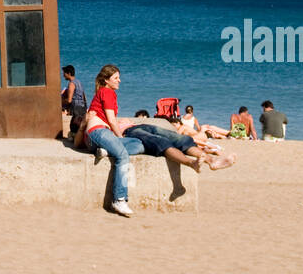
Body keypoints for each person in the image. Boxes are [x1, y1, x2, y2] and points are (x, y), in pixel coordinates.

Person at [83, 66, 145, 217]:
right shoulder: (107, 92)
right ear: (106, 80)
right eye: (116, 78)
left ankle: (106, 150)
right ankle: (119, 199)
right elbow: (111, 121)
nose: (119, 80)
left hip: (97, 138)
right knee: (123, 155)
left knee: (138, 144)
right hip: (97, 132)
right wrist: (120, 138)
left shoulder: (103, 93)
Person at [120, 118, 236, 172]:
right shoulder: (112, 123)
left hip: (143, 126)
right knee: (161, 142)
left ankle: (212, 161)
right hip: (130, 132)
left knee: (181, 139)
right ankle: (191, 163)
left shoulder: (126, 120)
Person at [60, 66, 87, 140]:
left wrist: (60, 101)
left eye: (64, 73)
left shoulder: (71, 84)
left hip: (76, 108)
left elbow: (69, 100)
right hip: (82, 107)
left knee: (74, 126)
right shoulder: (79, 82)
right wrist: (85, 107)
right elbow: (84, 96)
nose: (63, 75)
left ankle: (76, 139)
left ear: (69, 73)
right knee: (78, 124)